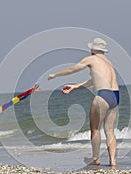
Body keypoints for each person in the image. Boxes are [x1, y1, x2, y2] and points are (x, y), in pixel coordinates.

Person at [48, 38, 119, 166]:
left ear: (93, 49)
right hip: (115, 95)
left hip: (102, 95)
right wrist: (75, 86)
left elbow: (72, 69)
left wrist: (55, 75)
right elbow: (94, 80)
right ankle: (113, 161)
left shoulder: (91, 59)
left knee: (95, 129)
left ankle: (96, 158)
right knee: (110, 130)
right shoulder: (109, 63)